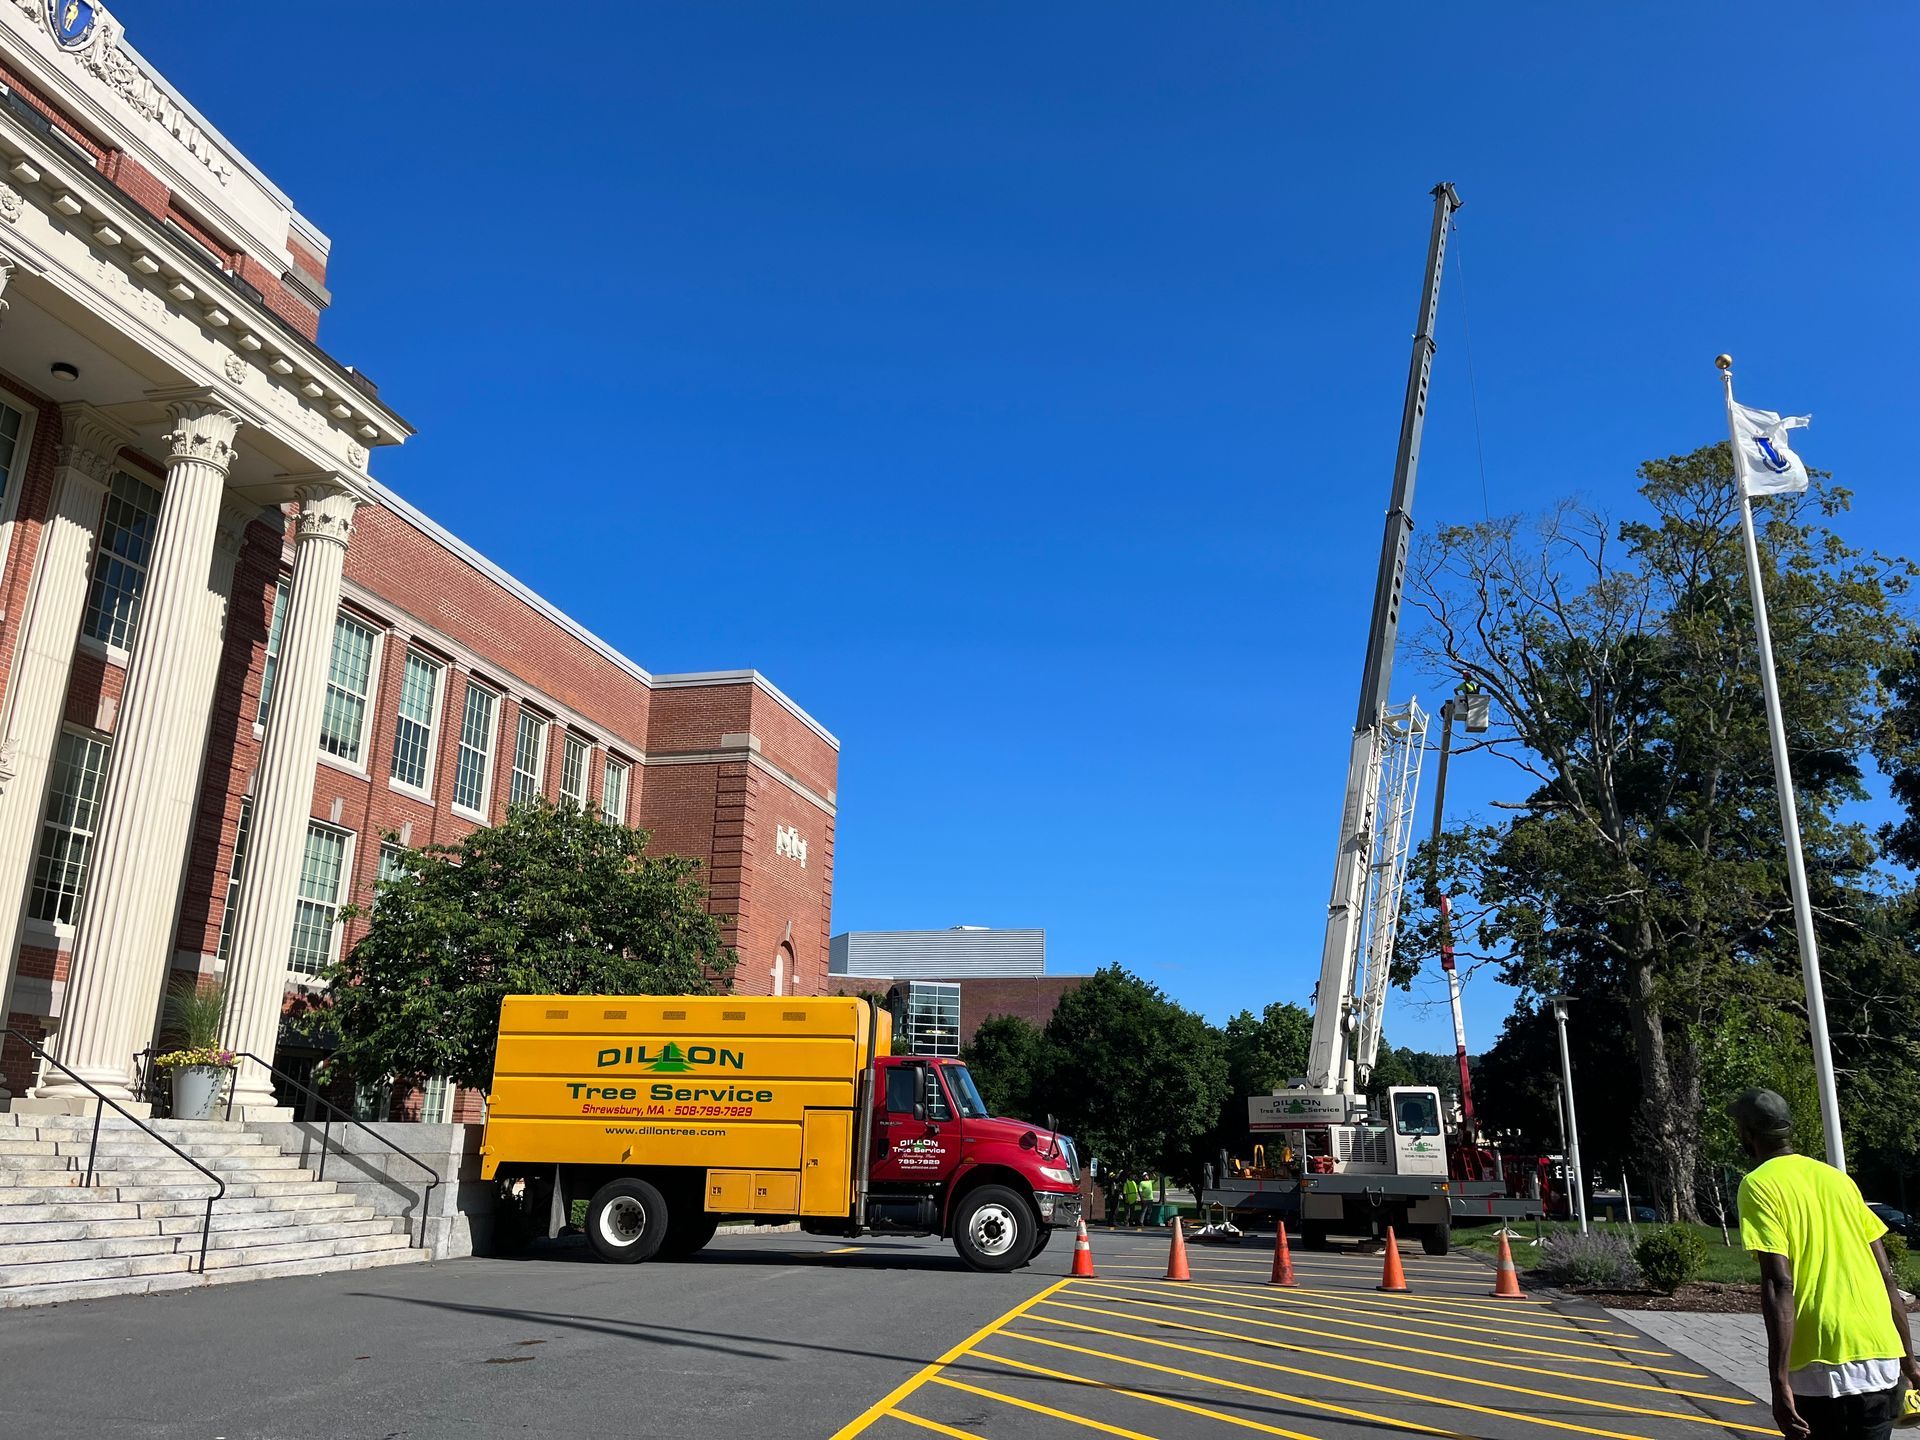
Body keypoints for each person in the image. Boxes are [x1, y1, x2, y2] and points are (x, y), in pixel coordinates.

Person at [1732, 1088, 1920, 1439]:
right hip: (1880, 1358)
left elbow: (1779, 1284)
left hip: (1822, 1366)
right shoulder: (1839, 1181)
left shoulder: (1758, 1185)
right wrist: (1909, 1362)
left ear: (1747, 1133)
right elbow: (1885, 1276)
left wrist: (1779, 1382)